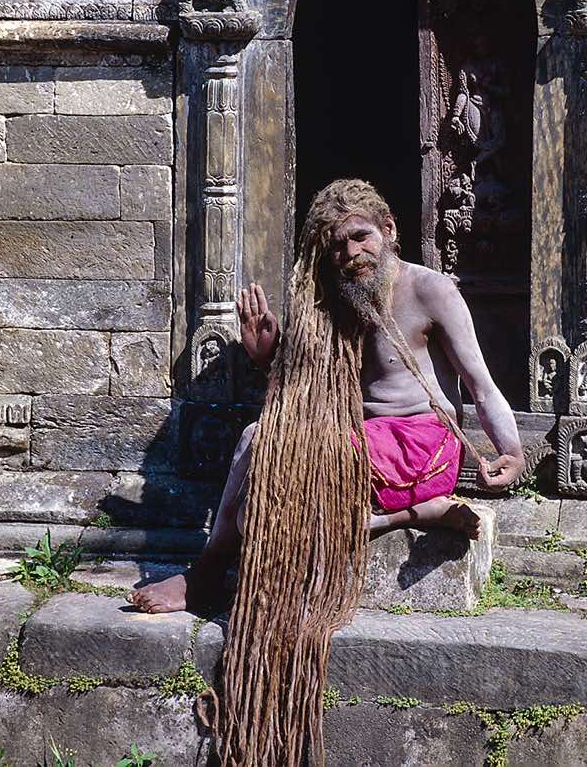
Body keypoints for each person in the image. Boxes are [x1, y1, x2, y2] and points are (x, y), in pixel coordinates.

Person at [131, 179, 525, 767]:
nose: (350, 254)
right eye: (335, 246)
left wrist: (512, 453)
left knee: (301, 462)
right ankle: (212, 568)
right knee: (258, 437)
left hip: (423, 445)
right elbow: (301, 392)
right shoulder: (328, 304)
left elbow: (481, 384)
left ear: (389, 232)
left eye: (360, 238)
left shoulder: (430, 290)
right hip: (355, 446)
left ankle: (220, 568)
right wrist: (268, 354)